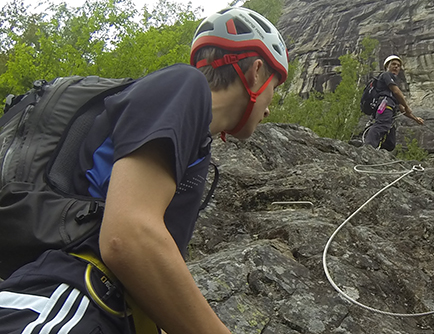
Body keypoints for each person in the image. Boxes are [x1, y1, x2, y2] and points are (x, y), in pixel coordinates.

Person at [0, 7, 287, 334]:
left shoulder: (191, 139)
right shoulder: (184, 85)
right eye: (275, 88)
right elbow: (128, 237)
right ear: (257, 72)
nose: (270, 107)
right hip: (70, 303)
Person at [363, 55, 424, 151]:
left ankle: (378, 155)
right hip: (385, 104)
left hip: (389, 108)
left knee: (390, 143)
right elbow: (396, 92)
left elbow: (401, 108)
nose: (396, 67)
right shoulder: (386, 75)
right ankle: (368, 149)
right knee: (381, 125)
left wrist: (415, 119)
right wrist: (407, 105)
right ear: (387, 66)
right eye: (393, 64)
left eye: (398, 65)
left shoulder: (389, 86)